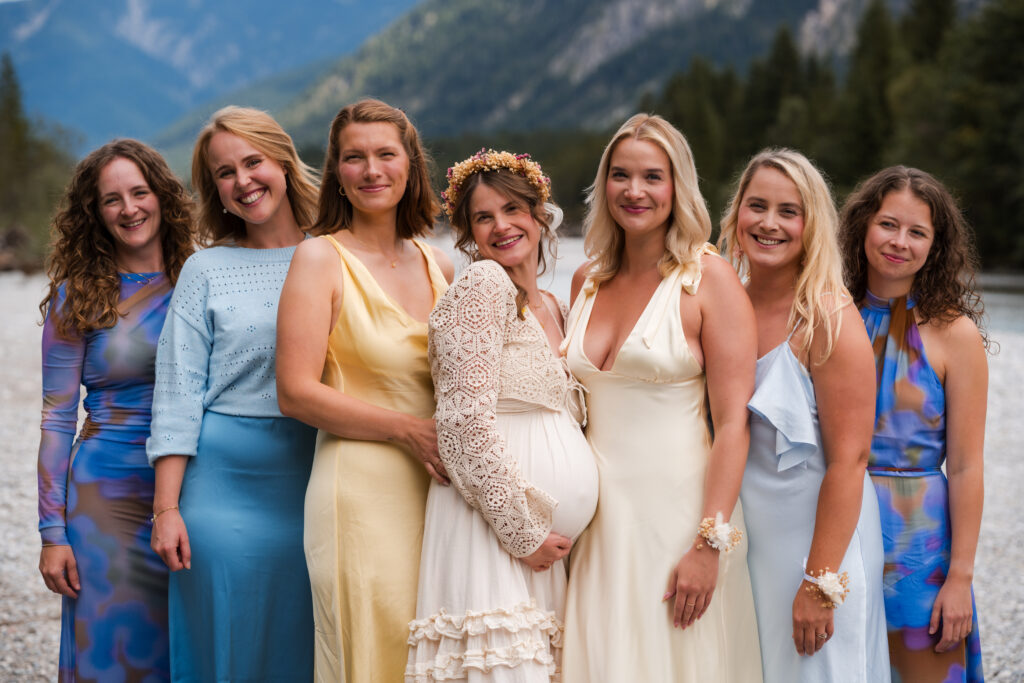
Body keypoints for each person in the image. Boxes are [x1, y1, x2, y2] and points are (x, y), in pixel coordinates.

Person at [560, 113, 762, 680]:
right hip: (596, 526)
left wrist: (709, 545)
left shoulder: (710, 280)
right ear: (604, 185)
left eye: (652, 176)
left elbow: (734, 424)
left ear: (678, 186)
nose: (635, 190)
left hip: (677, 521)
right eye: (620, 175)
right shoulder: (586, 280)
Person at [275, 98, 454, 682]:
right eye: (355, 158)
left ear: (411, 165)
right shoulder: (319, 258)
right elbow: (295, 392)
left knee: (438, 655)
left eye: (386, 154)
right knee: (372, 653)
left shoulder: (440, 265)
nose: (372, 170)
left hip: (441, 494)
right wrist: (407, 431)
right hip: (360, 495)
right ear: (337, 172)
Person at [404, 150, 599, 681]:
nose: (501, 226)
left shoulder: (554, 306)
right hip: (492, 532)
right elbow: (462, 424)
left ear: (539, 214)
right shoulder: (483, 285)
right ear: (468, 233)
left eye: (513, 209)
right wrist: (522, 532)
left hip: (543, 548)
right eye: (483, 217)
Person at [147, 106, 320, 681]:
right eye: (225, 173)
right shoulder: (205, 269)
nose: (243, 181)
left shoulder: (335, 255)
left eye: (253, 162)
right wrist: (166, 510)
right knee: (224, 645)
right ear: (215, 191)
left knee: (309, 647)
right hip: (220, 495)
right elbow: (177, 394)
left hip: (319, 482)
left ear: (284, 163)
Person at [718, 149, 889, 682]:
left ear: (811, 224)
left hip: (818, 547)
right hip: (748, 549)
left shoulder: (828, 317)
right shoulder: (725, 305)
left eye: (788, 211)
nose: (769, 223)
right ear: (737, 214)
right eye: (757, 206)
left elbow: (850, 461)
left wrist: (819, 582)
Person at [37, 139, 195, 681]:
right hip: (107, 496)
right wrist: (52, 533)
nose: (129, 209)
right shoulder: (76, 297)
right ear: (94, 212)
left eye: (139, 192)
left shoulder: (202, 279)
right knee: (113, 649)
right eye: (112, 199)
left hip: (197, 487)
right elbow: (57, 419)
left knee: (188, 649)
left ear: (162, 195)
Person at [839, 166, 987, 682]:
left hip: (919, 546)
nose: (899, 242)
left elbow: (966, 466)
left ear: (935, 245)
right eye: (888, 224)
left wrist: (959, 577)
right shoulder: (827, 315)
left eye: (917, 232)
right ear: (863, 226)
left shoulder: (955, 334)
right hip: (833, 524)